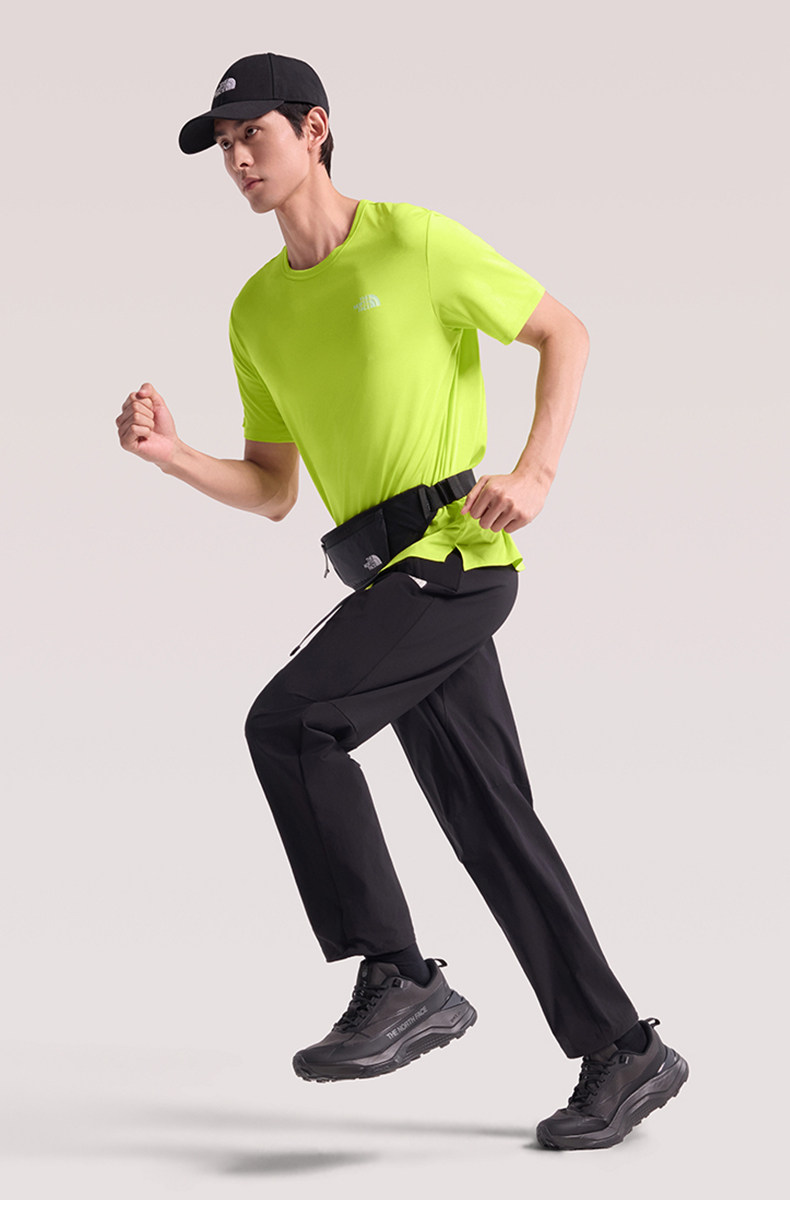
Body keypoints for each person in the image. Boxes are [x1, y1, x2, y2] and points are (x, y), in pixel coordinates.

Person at [115, 52, 688, 1151]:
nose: (237, 159)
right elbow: (274, 488)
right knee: (491, 818)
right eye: (223, 145)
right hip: (384, 578)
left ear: (314, 128)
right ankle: (625, 1050)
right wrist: (173, 454)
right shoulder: (255, 311)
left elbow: (563, 331)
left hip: (454, 556)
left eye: (253, 134)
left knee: (292, 723)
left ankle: (400, 976)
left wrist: (536, 473)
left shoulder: (412, 241)